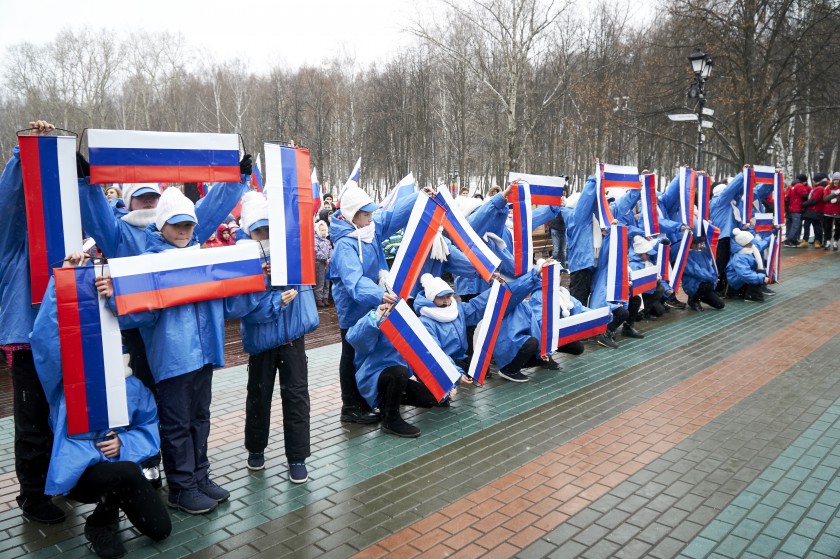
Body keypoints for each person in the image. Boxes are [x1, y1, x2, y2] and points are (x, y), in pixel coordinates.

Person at [77, 150, 251, 489]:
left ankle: (190, 474)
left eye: (152, 197)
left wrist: (237, 179)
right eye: (141, 199)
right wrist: (86, 183)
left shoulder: (178, 229)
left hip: (182, 333)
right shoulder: (121, 233)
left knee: (190, 411)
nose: (148, 204)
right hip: (141, 326)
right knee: (152, 405)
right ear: (129, 202)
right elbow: (96, 216)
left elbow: (208, 211)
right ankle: (153, 466)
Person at [105, 188, 254, 514]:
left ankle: (200, 478)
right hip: (172, 360)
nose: (184, 231)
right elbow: (139, 314)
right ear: (161, 226)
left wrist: (256, 281)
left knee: (199, 418)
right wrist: (115, 295)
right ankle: (181, 487)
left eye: (188, 224)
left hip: (204, 355)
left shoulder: (205, 258)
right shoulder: (149, 263)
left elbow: (230, 304)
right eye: (176, 225)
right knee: (176, 423)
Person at [31, 252, 171, 558]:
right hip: (80, 474)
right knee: (124, 473)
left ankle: (105, 513)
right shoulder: (64, 385)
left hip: (121, 468)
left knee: (161, 530)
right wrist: (62, 282)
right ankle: (100, 524)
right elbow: (44, 340)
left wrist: (124, 442)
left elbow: (149, 426)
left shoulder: (133, 387)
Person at [0, 120, 65, 524]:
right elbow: (8, 202)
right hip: (25, 341)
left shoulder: (65, 241)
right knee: (31, 422)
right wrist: (26, 153)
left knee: (62, 416)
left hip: (61, 340)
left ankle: (61, 482)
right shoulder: (11, 246)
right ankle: (32, 495)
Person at [231, 193, 317, 482]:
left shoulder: (291, 249)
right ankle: (255, 449)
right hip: (261, 341)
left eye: (269, 229)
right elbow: (240, 309)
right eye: (259, 230)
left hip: (293, 338)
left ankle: (297, 457)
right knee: (258, 396)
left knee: (296, 397)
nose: (265, 235)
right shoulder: (242, 258)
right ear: (248, 231)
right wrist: (271, 297)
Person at [329, 185, 417, 424]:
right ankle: (350, 406)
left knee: (364, 353)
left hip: (372, 303)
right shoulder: (345, 245)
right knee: (350, 354)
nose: (371, 218)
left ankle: (364, 401)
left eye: (370, 213)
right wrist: (379, 295)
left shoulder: (369, 230)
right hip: (353, 307)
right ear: (352, 216)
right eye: (366, 214)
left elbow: (391, 217)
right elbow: (354, 282)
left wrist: (419, 197)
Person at [726, 228, 770, 302]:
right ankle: (751, 295)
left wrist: (772, 236)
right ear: (747, 243)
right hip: (737, 282)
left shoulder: (750, 249)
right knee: (758, 274)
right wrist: (761, 278)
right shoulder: (739, 257)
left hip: (742, 278)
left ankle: (753, 292)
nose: (753, 243)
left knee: (760, 273)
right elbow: (745, 274)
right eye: (751, 242)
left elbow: (761, 244)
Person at [682, 237, 725, 311]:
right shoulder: (686, 255)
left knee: (720, 305)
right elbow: (695, 271)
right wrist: (712, 278)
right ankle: (694, 300)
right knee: (707, 285)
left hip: (705, 281)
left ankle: (699, 297)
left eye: (698, 243)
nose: (697, 245)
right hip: (693, 283)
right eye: (694, 243)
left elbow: (712, 247)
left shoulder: (702, 253)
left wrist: (706, 237)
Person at [783, 174, 810, 247]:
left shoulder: (790, 186)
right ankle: (790, 240)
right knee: (796, 225)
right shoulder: (800, 186)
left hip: (790, 208)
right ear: (803, 181)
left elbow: (787, 197)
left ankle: (789, 238)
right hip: (797, 208)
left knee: (790, 224)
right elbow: (805, 196)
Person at [802, 174, 825, 249]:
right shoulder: (816, 188)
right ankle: (806, 240)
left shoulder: (819, 188)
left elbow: (814, 200)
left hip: (816, 209)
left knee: (816, 226)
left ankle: (817, 240)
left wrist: (804, 204)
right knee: (807, 225)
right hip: (811, 209)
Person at [314, 220, 333, 306]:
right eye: (321, 230)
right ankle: (319, 299)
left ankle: (325, 298)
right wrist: (325, 258)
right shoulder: (315, 240)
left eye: (324, 229)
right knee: (320, 282)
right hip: (319, 263)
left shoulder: (327, 241)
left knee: (327, 281)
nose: (323, 231)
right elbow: (316, 251)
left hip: (328, 264)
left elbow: (330, 250)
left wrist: (330, 258)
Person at [822, 172, 840, 251]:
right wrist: (835, 194)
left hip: (838, 211)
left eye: (838, 180)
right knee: (827, 228)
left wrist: (837, 200)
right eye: (835, 179)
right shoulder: (828, 187)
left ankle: (835, 241)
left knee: (838, 228)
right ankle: (828, 241)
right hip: (828, 212)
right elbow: (825, 198)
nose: (836, 181)